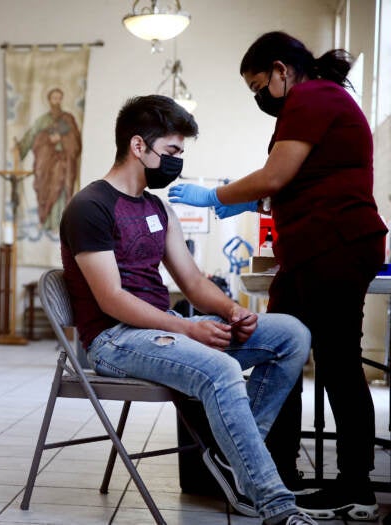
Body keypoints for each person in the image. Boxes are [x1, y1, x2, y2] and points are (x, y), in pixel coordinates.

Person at [60, 94, 314, 525]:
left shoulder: (158, 208)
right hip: (114, 340)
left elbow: (194, 283)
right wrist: (188, 330)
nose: (177, 162)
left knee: (292, 335)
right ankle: (276, 505)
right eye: (172, 152)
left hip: (164, 329)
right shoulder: (90, 208)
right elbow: (112, 300)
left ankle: (232, 454)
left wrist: (233, 312)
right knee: (220, 370)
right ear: (138, 146)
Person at [168, 31, 388, 521]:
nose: (258, 97)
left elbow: (275, 175)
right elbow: (293, 180)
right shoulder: (317, 101)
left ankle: (355, 485)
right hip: (316, 249)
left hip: (334, 245)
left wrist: (216, 197)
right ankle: (277, 474)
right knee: (282, 348)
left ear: (281, 70)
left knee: (335, 364)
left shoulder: (313, 95)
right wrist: (249, 200)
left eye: (257, 84)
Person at [14, 87, 82, 231]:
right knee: (45, 188)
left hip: (64, 161)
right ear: (49, 100)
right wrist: (20, 148)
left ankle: (60, 224)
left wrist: (62, 138)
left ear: (61, 99)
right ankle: (45, 222)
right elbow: (31, 136)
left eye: (59, 98)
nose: (56, 101)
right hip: (46, 163)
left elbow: (76, 140)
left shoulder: (68, 119)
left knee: (61, 189)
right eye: (54, 98)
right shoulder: (42, 120)